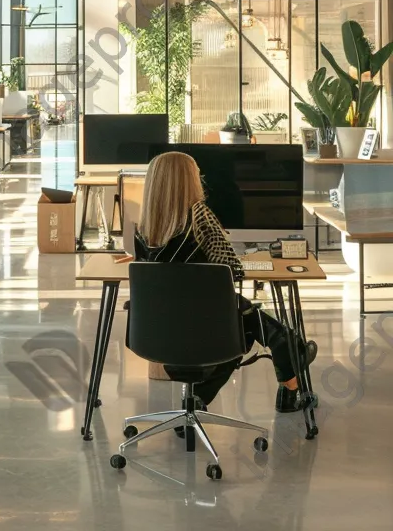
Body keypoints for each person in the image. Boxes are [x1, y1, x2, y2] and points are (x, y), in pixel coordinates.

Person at [132, 151, 317, 414]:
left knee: (242, 320)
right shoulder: (200, 217)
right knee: (241, 325)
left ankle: (286, 356)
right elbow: (232, 271)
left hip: (158, 334)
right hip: (209, 331)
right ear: (190, 180)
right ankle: (290, 361)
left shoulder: (143, 229)